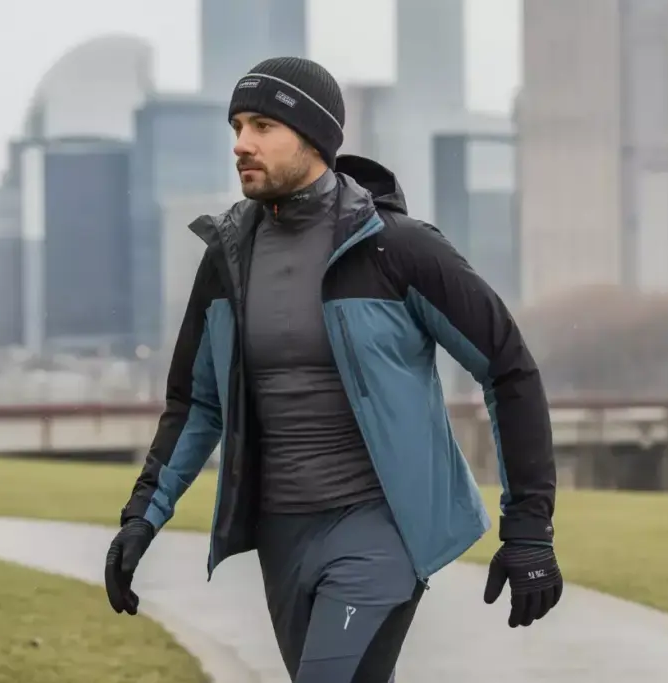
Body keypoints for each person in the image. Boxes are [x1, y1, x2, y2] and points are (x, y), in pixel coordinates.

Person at [104, 56, 563, 682]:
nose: (241, 144)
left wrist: (529, 525)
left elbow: (507, 368)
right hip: (282, 535)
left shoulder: (397, 249)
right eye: (236, 126)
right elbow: (196, 403)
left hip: (379, 525)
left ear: (314, 137)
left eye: (263, 125)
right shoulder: (227, 261)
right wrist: (142, 518)